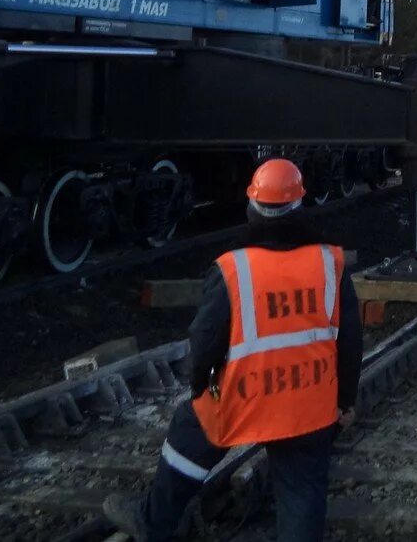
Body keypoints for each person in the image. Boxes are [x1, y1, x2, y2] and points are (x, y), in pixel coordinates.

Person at [103, 159, 360, 542]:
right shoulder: (329, 264)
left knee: (191, 428)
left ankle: (153, 520)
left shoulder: (232, 269)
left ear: (252, 208)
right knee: (302, 488)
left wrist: (198, 388)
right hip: (309, 403)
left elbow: (204, 341)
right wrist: (344, 403)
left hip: (246, 397)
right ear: (300, 205)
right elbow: (351, 341)